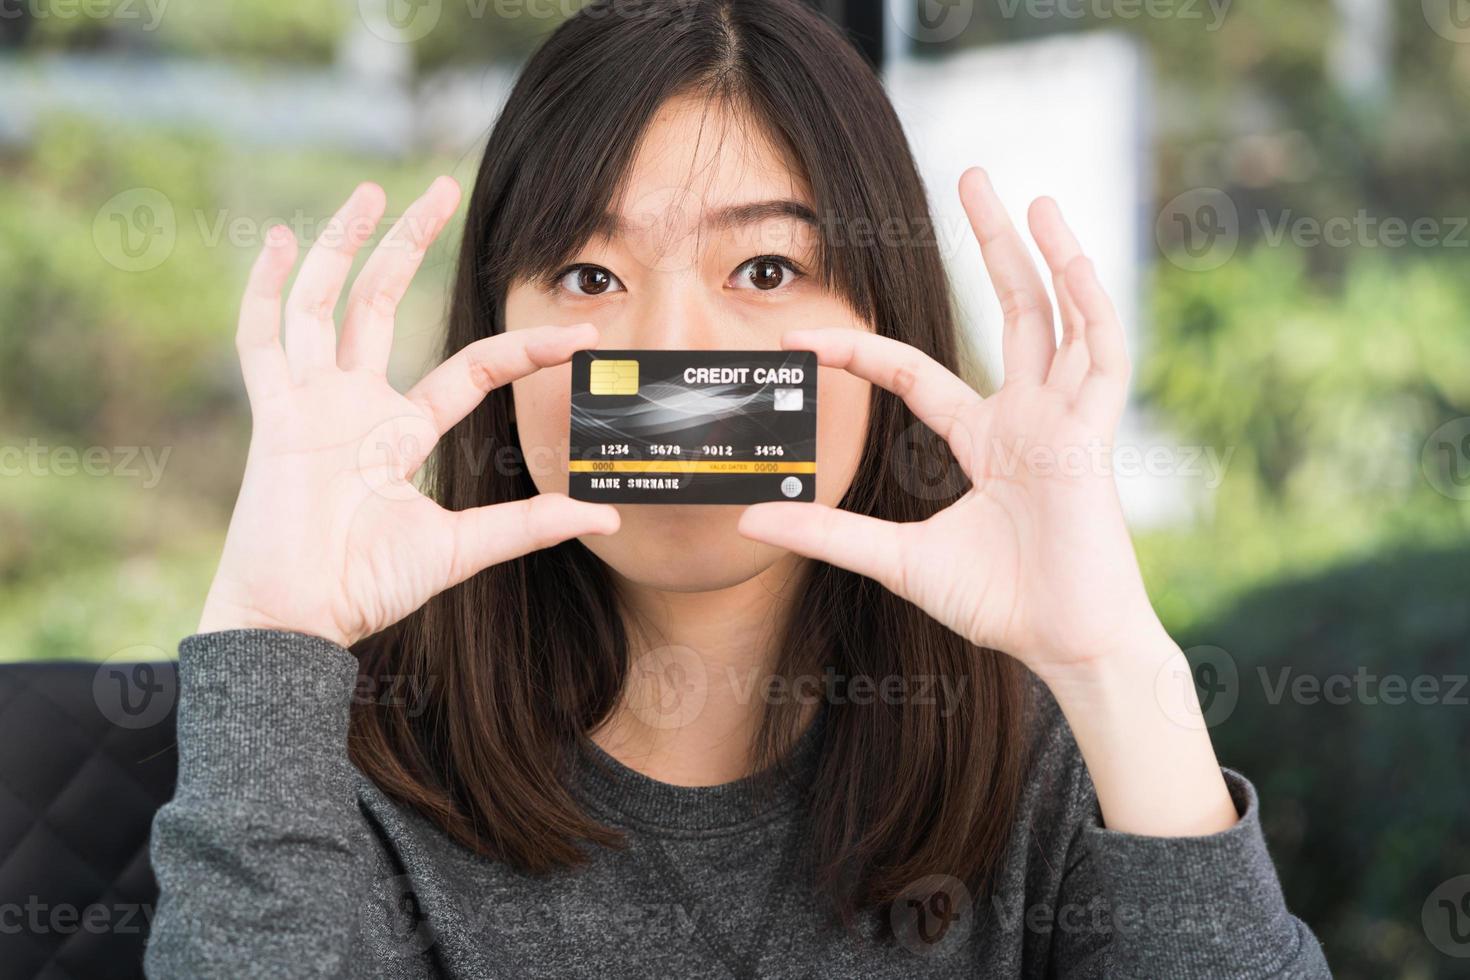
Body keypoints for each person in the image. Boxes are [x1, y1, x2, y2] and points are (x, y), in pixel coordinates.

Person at [145, 0, 1333, 976]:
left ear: (888, 324)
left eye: (765, 267)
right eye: (587, 271)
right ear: (493, 338)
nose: (668, 355)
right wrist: (271, 627)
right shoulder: (339, 756)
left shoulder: (1053, 751)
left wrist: (1115, 662)